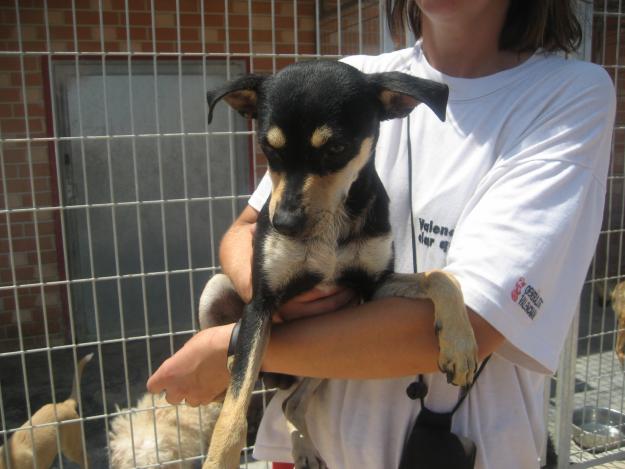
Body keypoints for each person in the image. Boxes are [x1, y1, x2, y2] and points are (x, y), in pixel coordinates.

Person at [147, 1, 616, 467]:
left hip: (466, 450)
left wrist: (232, 350)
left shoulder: (566, 95)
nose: (293, 195)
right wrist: (271, 294)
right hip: (315, 447)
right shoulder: (343, 79)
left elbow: (474, 322)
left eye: (332, 153)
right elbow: (247, 231)